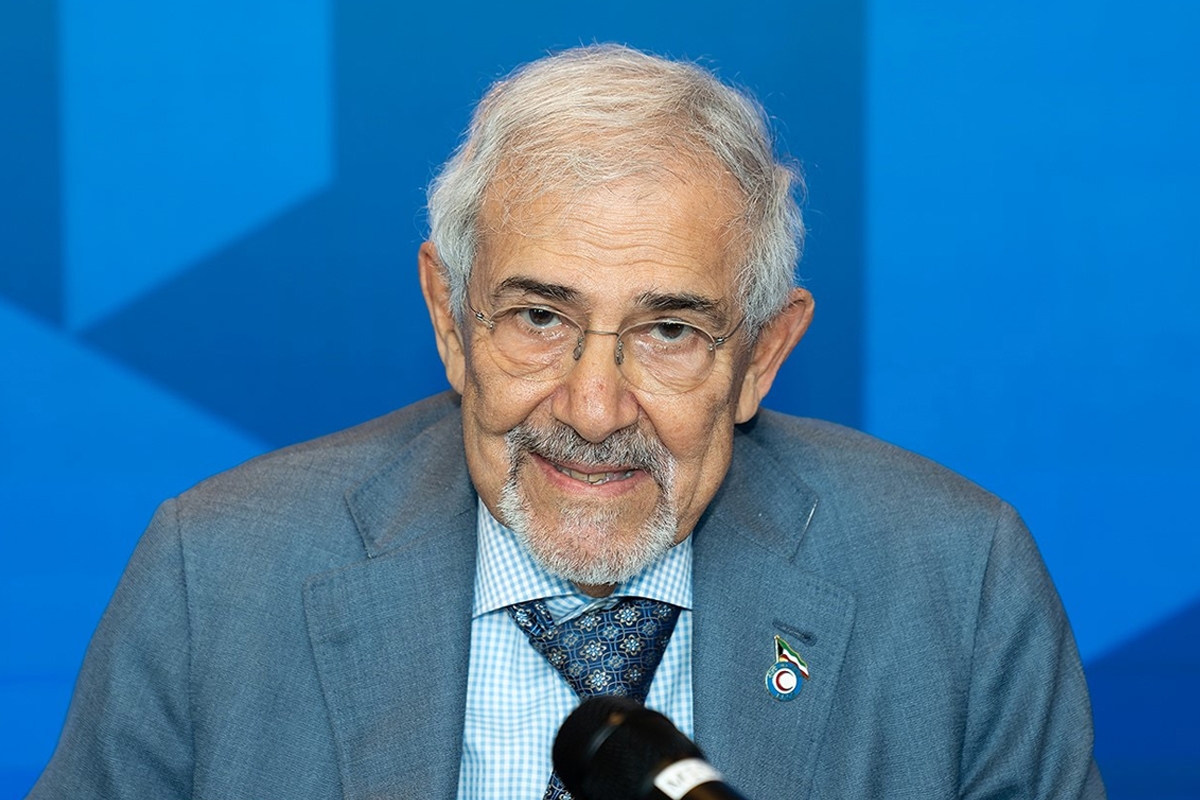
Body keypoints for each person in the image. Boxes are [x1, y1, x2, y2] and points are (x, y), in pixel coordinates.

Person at [30, 44, 1104, 799]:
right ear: (451, 320)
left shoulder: (956, 581)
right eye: (539, 319)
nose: (594, 410)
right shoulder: (218, 573)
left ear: (762, 357)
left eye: (670, 330)